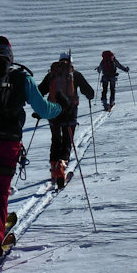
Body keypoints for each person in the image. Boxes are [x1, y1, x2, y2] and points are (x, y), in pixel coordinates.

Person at [0, 36, 64, 272]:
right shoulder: (20, 77)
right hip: (7, 144)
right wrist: (60, 107)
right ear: (10, 54)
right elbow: (43, 109)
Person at [38, 51, 95, 188]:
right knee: (67, 141)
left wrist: (41, 109)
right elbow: (90, 92)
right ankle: (62, 165)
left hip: (53, 113)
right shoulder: (75, 75)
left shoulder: (51, 75)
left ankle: (53, 168)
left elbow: (40, 91)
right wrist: (88, 96)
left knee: (55, 139)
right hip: (70, 114)